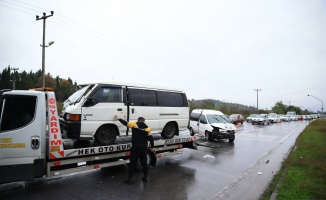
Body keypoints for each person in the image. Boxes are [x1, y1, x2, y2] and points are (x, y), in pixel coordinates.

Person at [114, 115, 154, 185]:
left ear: (138, 120)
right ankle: (145, 178)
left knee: (132, 163)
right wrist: (152, 146)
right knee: (144, 163)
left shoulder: (134, 124)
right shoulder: (148, 128)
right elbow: (151, 138)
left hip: (135, 147)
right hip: (144, 148)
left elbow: (125, 123)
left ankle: (130, 179)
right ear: (144, 121)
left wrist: (118, 118)